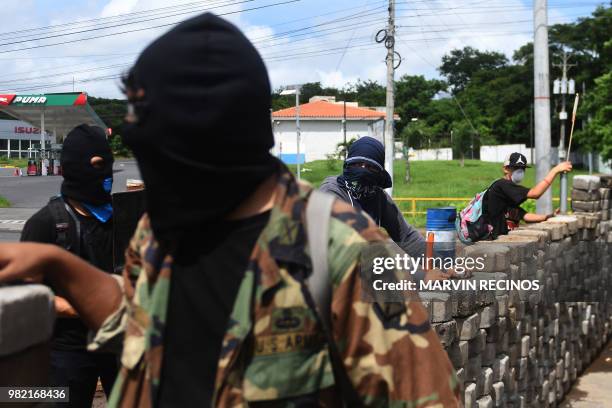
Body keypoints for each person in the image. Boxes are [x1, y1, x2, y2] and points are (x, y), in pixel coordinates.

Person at [0, 13, 460, 407]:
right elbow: (140, 322)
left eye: (160, 146)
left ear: (215, 139)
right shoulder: (159, 235)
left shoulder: (347, 253)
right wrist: (58, 265)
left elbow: (421, 394)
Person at [19, 124, 117, 407]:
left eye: (108, 164)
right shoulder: (45, 223)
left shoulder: (120, 217)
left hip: (118, 346)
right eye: (98, 165)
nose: (106, 173)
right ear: (75, 167)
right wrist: (79, 306)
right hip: (64, 354)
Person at [320, 136, 428, 257]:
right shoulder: (331, 193)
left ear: (379, 173)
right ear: (347, 165)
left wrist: (439, 262)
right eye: (357, 164)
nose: (363, 170)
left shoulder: (377, 196)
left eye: (370, 167)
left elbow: (406, 235)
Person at [483, 152, 573, 238]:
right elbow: (535, 193)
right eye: (516, 168)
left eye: (522, 169)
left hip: (500, 239)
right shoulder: (502, 185)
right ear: (505, 169)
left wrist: (549, 217)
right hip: (492, 240)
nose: (520, 172)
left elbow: (524, 216)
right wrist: (555, 170)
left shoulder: (507, 192)